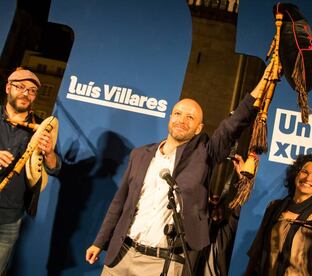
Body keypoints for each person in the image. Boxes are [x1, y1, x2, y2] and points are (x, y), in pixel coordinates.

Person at [85, 75, 263, 275]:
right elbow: (119, 203)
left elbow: (232, 125)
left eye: (190, 117)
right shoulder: (140, 154)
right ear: (170, 118)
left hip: (162, 263)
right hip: (121, 256)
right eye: (178, 113)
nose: (182, 120)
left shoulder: (205, 155)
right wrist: (99, 242)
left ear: (199, 128)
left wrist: (263, 84)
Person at [0, 67, 61, 273]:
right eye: (21, 87)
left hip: (10, 215)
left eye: (32, 91)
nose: (26, 93)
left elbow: (54, 169)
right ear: (8, 87)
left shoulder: (41, 128)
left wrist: (50, 153)